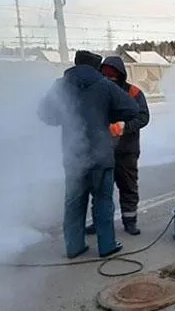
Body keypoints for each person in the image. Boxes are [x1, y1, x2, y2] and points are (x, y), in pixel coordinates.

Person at [38, 51, 139, 258]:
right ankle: (107, 245)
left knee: (74, 202)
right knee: (102, 201)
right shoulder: (105, 85)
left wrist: (63, 118)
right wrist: (106, 115)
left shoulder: (60, 86)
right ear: (96, 67)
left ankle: (74, 247)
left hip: (74, 155)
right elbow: (132, 108)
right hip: (101, 154)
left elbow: (44, 113)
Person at [84, 56, 150, 236]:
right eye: (105, 77)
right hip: (102, 150)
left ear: (121, 76)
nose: (109, 81)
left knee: (128, 187)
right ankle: (99, 222)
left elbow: (143, 117)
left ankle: (130, 221)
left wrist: (124, 126)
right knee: (99, 189)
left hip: (126, 151)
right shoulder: (97, 92)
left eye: (112, 77)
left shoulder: (134, 93)